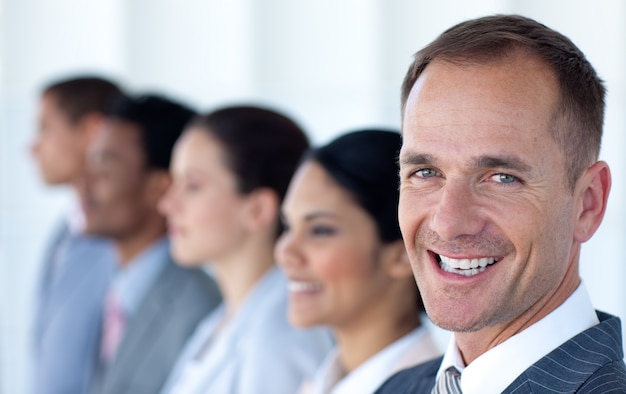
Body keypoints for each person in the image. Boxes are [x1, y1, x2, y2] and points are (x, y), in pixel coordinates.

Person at [376, 14, 626, 393]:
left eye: (502, 178)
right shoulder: (396, 388)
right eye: (426, 172)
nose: (448, 223)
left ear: (587, 203)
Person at [158, 105, 333, 394]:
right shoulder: (224, 319)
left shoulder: (281, 335)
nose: (167, 204)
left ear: (257, 209)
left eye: (192, 186)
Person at [275, 129, 441, 394]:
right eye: (287, 226)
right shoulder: (326, 380)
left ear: (403, 254)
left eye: (320, 230)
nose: (285, 252)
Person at [83, 94, 222, 394]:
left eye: (104, 168)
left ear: (158, 186)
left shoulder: (198, 308)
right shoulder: (110, 287)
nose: (84, 184)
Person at [30, 76, 121, 394]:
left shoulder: (122, 240)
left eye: (45, 128)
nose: (32, 147)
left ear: (91, 131)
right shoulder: (66, 232)